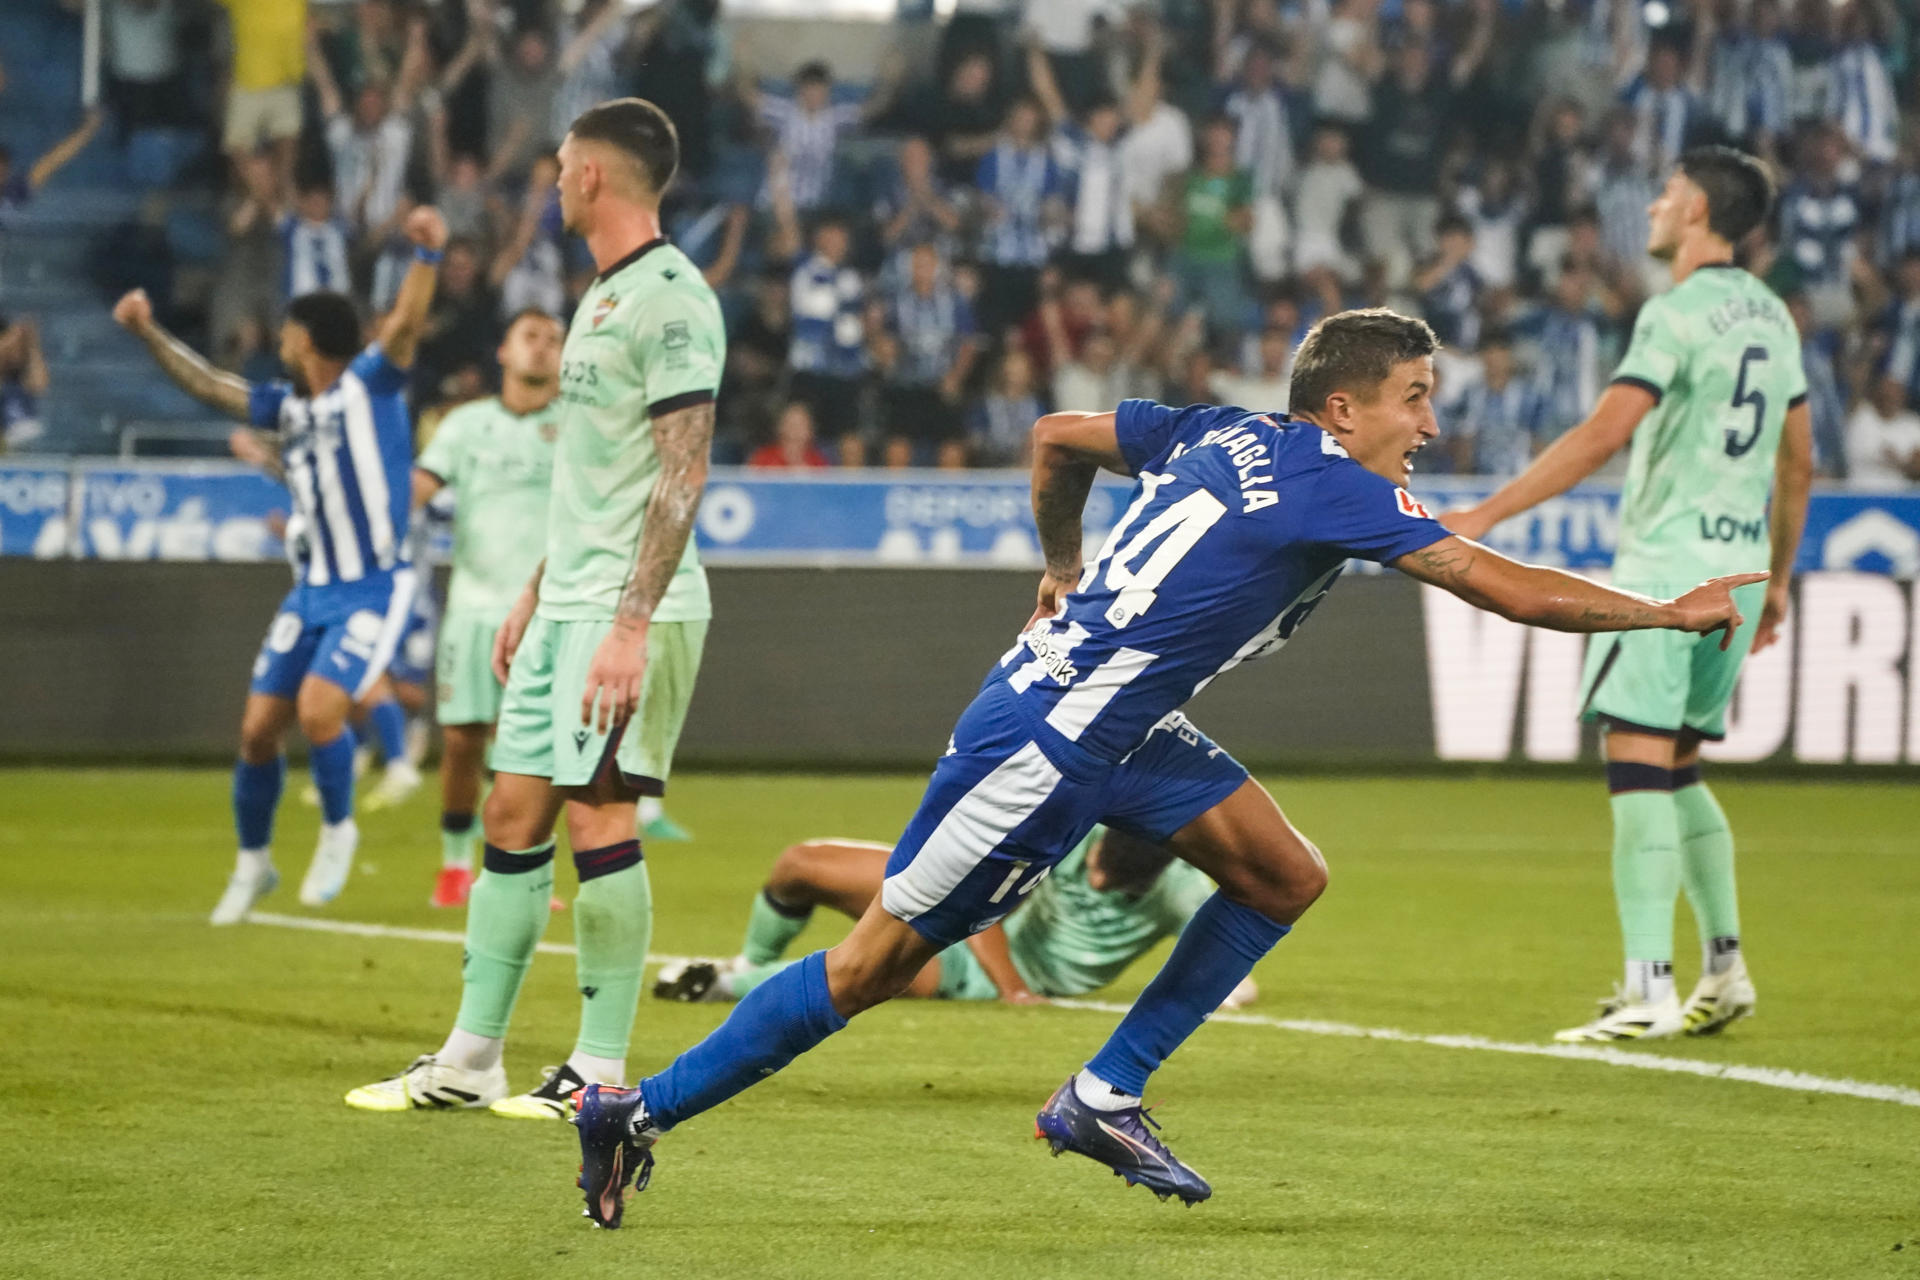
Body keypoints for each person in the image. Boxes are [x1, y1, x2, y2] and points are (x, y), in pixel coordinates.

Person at [568, 307, 1764, 1226]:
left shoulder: (1218, 428)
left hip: (1122, 726)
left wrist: (1059, 562)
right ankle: (633, 1108)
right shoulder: (1336, 485)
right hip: (1041, 745)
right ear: (1343, 410)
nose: (1431, 425)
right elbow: (1498, 585)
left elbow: (1054, 439)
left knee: (1285, 874)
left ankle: (1102, 1092)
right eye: (1415, 399)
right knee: (872, 962)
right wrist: (1663, 613)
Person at [346, 98, 722, 1121]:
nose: (553, 181)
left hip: (629, 612)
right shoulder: (596, 296)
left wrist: (628, 625)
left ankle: (600, 1072)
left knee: (601, 815)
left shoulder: (672, 299)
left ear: (595, 177)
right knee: (510, 812)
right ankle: (472, 1057)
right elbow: (605, 476)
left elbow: (682, 476)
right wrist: (537, 588)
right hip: (568, 604)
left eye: (562, 165)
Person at [1443, 147, 1813, 1043]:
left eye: (1666, 192)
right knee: (1678, 767)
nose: (1651, 204)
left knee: (1637, 765)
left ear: (1695, 209)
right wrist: (1779, 584)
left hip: (1663, 574)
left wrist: (1485, 514)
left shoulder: (1674, 312)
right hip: (1738, 569)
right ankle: (1725, 970)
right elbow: (1798, 463)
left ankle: (1648, 983)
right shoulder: (1773, 315)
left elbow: (1605, 432)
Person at [112, 208, 448, 923]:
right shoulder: (288, 409)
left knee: (322, 710)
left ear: (306, 337)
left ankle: (338, 829)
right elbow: (208, 385)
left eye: (289, 329)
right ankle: (253, 864)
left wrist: (427, 254)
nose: (281, 338)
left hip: (373, 586)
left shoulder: (370, 384)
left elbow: (407, 325)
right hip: (312, 590)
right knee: (258, 729)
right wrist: (147, 332)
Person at [654, 826, 1256, 1011]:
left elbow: (1230, 957)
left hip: (983, 966)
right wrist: (1012, 991)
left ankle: (719, 985)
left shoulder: (1181, 886)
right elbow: (981, 899)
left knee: (881, 965)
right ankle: (751, 962)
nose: (1097, 879)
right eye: (1098, 864)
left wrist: (1230, 983)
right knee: (799, 863)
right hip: (982, 923)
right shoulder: (1076, 829)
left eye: (1116, 882)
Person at [406, 307, 565, 908]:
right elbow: (416, 492)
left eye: (554, 340)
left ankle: (518, 870)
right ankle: (453, 866)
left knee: (527, 748)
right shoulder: (465, 425)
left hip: (548, 612)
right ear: (504, 350)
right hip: (473, 609)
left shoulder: (577, 426)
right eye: (531, 337)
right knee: (464, 743)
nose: (542, 349)